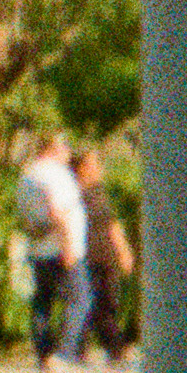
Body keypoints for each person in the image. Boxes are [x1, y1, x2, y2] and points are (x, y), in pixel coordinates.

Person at [15, 128, 89, 368]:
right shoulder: (55, 174)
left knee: (42, 301)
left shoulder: (27, 175)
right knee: (79, 299)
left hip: (38, 248)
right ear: (55, 148)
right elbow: (59, 212)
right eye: (66, 147)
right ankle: (63, 353)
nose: (69, 154)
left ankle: (43, 352)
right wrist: (68, 245)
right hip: (60, 248)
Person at [80, 147, 136, 361]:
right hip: (86, 255)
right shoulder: (74, 192)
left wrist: (124, 251)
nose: (98, 169)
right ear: (83, 168)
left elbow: (113, 223)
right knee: (88, 302)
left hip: (106, 255)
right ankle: (107, 347)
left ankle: (113, 347)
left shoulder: (100, 193)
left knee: (108, 302)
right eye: (94, 164)